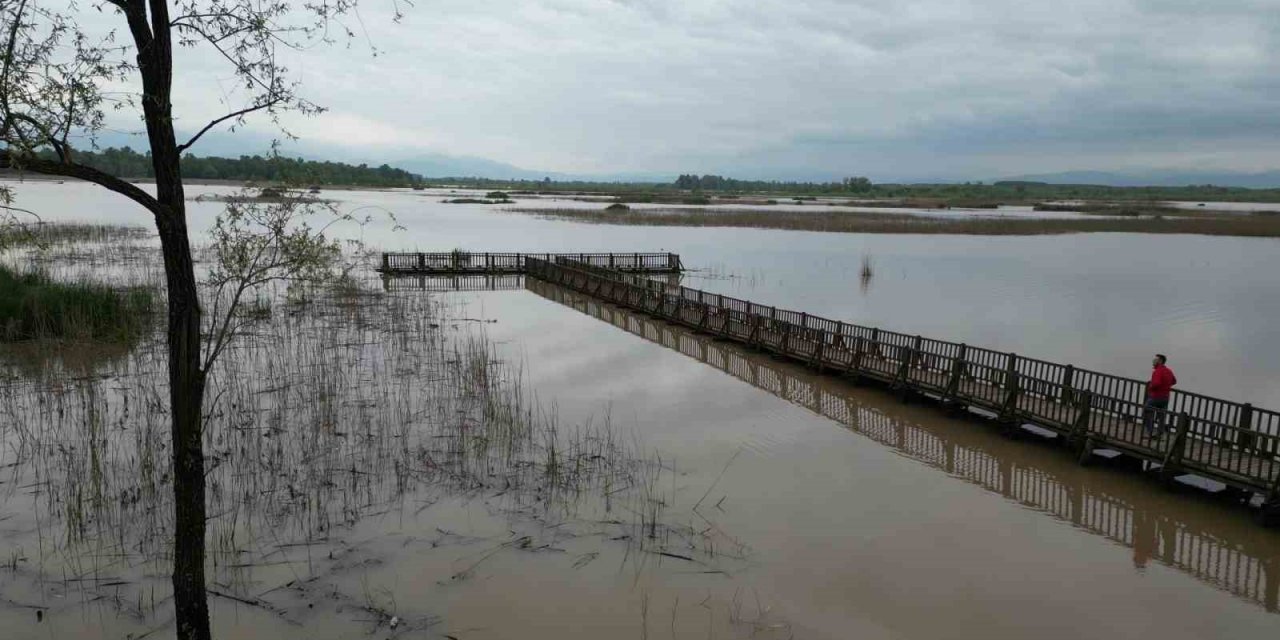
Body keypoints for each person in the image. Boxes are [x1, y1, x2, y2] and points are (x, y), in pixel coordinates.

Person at [1143, 354, 1177, 437]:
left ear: (1160, 361)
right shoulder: (1169, 371)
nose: (1153, 361)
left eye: (1155, 360)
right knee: (1162, 415)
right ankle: (1160, 433)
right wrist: (1165, 386)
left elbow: (1156, 383)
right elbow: (1174, 381)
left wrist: (1151, 387)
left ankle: (1149, 432)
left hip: (1155, 396)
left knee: (1147, 410)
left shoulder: (1158, 371)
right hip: (1165, 397)